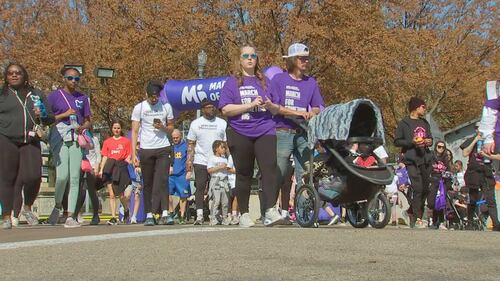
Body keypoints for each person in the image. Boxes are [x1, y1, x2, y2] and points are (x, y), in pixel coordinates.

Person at [219, 44, 287, 227]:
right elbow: (226, 108)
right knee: (244, 173)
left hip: (265, 129)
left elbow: (276, 107)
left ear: (257, 59)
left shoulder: (265, 81)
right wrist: (249, 105)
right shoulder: (232, 82)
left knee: (270, 168)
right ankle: (244, 213)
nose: (250, 58)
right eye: (246, 56)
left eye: (253, 55)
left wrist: (269, 105)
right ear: (240, 60)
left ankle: (270, 210)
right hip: (240, 131)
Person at [270, 42, 325, 221]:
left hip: (303, 132)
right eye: (302, 58)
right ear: (292, 60)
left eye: (307, 58)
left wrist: (312, 112)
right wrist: (297, 112)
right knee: (280, 172)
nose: (305, 61)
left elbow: (318, 106)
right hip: (282, 131)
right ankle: (272, 210)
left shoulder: (311, 82)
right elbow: (275, 107)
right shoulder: (279, 80)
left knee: (305, 173)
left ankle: (303, 213)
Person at [0, 63, 55, 229]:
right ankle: (7, 216)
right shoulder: (2, 94)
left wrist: (42, 114)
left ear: (24, 75)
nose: (14, 75)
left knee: (33, 175)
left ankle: (27, 207)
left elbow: (50, 118)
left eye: (18, 73)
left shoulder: (36, 94)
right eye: (10, 73)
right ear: (6, 77)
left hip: (30, 139)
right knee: (7, 178)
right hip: (6, 138)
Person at [47, 67, 91, 228]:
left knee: (74, 178)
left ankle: (70, 215)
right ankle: (58, 205)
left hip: (76, 138)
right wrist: (64, 115)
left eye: (77, 79)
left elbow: (88, 119)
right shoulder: (54, 96)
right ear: (63, 79)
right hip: (59, 137)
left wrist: (83, 127)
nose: (73, 81)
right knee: (62, 177)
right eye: (70, 78)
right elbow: (46, 119)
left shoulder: (83, 98)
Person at [131, 81, 174, 226]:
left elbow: (171, 128)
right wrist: (133, 154)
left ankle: (166, 213)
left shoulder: (166, 106)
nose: (154, 99)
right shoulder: (139, 108)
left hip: (163, 147)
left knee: (163, 180)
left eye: (156, 97)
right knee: (147, 182)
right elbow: (135, 131)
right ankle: (149, 213)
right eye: (151, 97)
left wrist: (162, 127)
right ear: (146, 95)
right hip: (146, 148)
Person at [394, 97, 433, 228]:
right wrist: (412, 142)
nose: (424, 109)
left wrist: (429, 141)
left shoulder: (424, 123)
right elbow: (397, 141)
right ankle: (417, 218)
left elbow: (430, 137)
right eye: (423, 107)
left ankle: (411, 211)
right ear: (416, 108)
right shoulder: (404, 123)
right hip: (411, 159)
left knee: (426, 189)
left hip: (425, 158)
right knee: (417, 188)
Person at [187, 99, 227, 225]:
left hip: (217, 161)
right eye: (208, 107)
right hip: (201, 160)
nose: (211, 109)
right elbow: (191, 144)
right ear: (203, 109)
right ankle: (199, 215)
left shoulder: (222, 123)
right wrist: (189, 160)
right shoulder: (196, 123)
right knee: (200, 186)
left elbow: (225, 143)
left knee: (219, 188)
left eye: (213, 107)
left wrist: (228, 159)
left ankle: (216, 214)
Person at [460, 123, 500, 231]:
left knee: (490, 199)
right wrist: (475, 141)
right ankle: (470, 222)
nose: (480, 130)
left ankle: (496, 224)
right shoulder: (472, 139)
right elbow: (465, 153)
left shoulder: (491, 141)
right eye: (478, 128)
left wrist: (487, 155)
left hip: (486, 173)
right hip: (473, 173)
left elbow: (498, 156)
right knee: (472, 198)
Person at [99, 121, 132, 225]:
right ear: (112, 129)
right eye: (114, 128)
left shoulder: (126, 141)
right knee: (112, 194)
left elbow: (129, 154)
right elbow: (105, 156)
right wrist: (101, 169)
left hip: (121, 167)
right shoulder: (107, 142)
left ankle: (126, 210)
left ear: (121, 129)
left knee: (122, 195)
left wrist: (128, 160)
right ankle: (113, 217)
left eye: (118, 128)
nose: (116, 130)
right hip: (110, 167)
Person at [74, 128, 102, 225]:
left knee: (92, 192)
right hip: (80, 165)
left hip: (91, 166)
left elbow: (98, 154)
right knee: (80, 192)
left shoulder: (94, 139)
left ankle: (95, 215)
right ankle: (75, 215)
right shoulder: (77, 138)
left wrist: (97, 168)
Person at [168, 129, 190, 225]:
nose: (175, 139)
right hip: (170, 176)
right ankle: (171, 212)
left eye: (177, 137)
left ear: (180, 136)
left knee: (183, 196)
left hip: (182, 175)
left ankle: (182, 215)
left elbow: (189, 160)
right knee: (167, 194)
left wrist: (189, 171)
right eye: (173, 138)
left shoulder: (185, 146)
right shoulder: (169, 147)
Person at [427, 141, 450, 230]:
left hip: (442, 182)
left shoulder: (445, 159)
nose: (441, 149)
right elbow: (427, 169)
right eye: (439, 146)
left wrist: (447, 183)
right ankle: (432, 220)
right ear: (436, 147)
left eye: (443, 147)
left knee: (441, 202)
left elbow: (448, 172)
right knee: (432, 202)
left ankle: (440, 222)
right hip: (433, 181)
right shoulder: (431, 157)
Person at [207, 140, 231, 226]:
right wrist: (219, 167)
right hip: (216, 181)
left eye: (225, 147)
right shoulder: (212, 158)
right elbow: (209, 170)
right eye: (222, 147)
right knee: (216, 201)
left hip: (224, 181)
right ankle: (212, 218)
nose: (224, 149)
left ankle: (224, 217)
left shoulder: (225, 159)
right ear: (216, 149)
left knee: (225, 202)